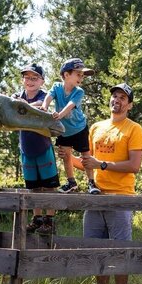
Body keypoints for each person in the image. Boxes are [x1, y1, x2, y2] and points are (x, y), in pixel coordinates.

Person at [80, 83, 142, 284]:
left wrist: (103, 165)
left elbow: (134, 165)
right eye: (115, 96)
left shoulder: (133, 129)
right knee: (94, 249)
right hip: (95, 197)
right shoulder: (96, 127)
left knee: (120, 251)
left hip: (121, 198)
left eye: (122, 98)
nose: (116, 100)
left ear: (130, 105)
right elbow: (87, 163)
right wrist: (67, 158)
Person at [12, 63, 60, 235]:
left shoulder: (44, 96)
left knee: (49, 186)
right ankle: (37, 218)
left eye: (34, 78)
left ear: (42, 81)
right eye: (27, 77)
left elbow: (42, 106)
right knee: (33, 186)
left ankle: (50, 220)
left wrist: (26, 105)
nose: (30, 81)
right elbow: (11, 108)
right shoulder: (17, 96)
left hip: (43, 147)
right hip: (26, 148)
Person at [42, 58, 99, 194]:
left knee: (86, 155)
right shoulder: (56, 87)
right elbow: (49, 97)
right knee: (66, 155)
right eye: (78, 74)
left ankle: (91, 182)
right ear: (66, 75)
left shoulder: (79, 92)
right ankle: (71, 182)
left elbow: (70, 106)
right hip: (64, 130)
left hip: (79, 128)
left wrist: (59, 115)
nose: (81, 78)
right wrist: (44, 107)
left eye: (83, 75)